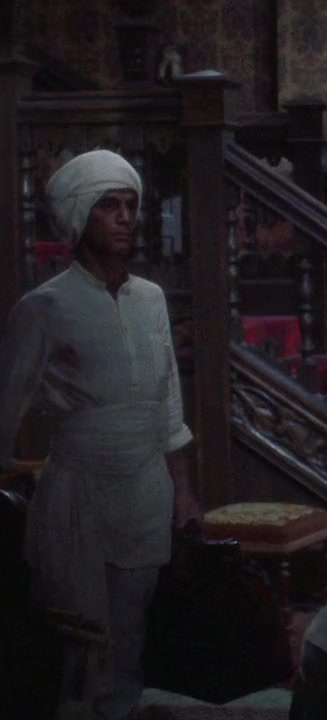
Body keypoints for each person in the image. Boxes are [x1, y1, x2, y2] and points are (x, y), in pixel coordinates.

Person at [0, 149, 198, 720]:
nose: (124, 217)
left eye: (130, 205)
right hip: (78, 496)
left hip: (145, 491)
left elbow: (169, 405)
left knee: (130, 636)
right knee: (79, 643)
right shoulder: (44, 307)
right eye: (108, 205)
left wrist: (183, 492)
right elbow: (6, 405)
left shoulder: (151, 300)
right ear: (79, 216)